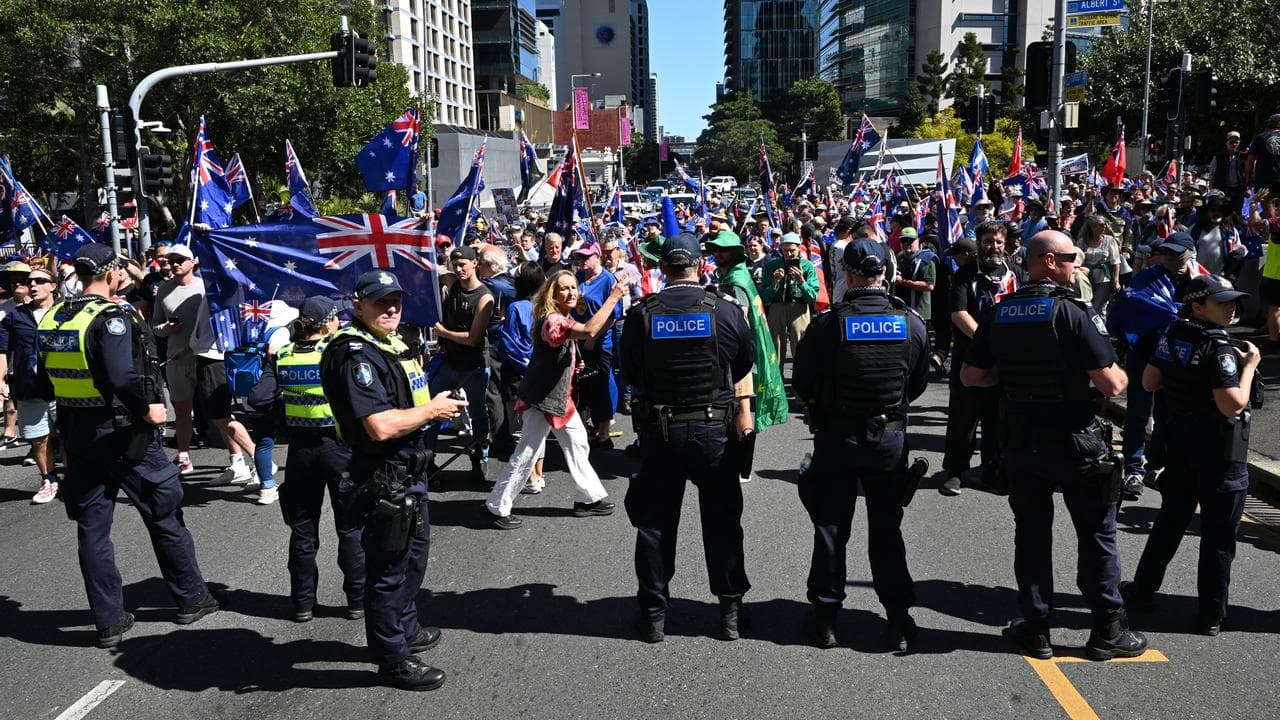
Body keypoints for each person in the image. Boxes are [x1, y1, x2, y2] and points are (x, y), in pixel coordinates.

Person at [961, 230, 1148, 661]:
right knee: (1097, 535)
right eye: (1069, 258)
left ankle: (1036, 628)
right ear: (1047, 261)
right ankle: (1107, 629)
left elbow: (972, 376)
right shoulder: (1073, 311)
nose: (1076, 264)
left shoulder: (1000, 311)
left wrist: (1011, 377)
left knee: (1031, 535)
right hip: (1077, 442)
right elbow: (1113, 383)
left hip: (1023, 442)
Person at [37, 244, 217, 648]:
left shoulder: (55, 315)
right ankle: (192, 598)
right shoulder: (110, 316)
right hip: (124, 433)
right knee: (164, 512)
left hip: (77, 433)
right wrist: (147, 408)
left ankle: (109, 622)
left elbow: (40, 380)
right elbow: (122, 376)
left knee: (92, 528)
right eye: (119, 269)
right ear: (111, 272)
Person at [319, 270, 466, 691]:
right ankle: (392, 659)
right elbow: (380, 425)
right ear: (358, 305)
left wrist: (432, 407)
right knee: (388, 572)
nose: (391, 309)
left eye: (396, 301)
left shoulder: (387, 344)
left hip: (408, 473)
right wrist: (432, 410)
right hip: (383, 476)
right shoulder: (357, 355)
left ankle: (405, 629)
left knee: (412, 561)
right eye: (381, 302)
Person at [792, 238, 930, 651]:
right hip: (888, 437)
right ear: (884, 272)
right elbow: (916, 384)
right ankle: (898, 619)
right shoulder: (910, 322)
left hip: (839, 436)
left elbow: (803, 385)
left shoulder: (828, 324)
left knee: (831, 527)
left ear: (847, 275)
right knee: (886, 528)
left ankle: (826, 618)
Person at [620, 232, 755, 643]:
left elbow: (631, 370)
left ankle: (654, 617)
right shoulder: (725, 310)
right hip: (714, 430)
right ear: (700, 265)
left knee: (655, 525)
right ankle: (730, 613)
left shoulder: (643, 314)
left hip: (662, 430)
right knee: (723, 522)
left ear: (663, 267)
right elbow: (742, 363)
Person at [1123, 275, 1259, 636]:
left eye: (1234, 301)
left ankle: (1142, 590)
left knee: (1170, 522)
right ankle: (1211, 614)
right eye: (1223, 302)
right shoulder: (1220, 349)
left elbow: (1149, 382)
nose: (1232, 308)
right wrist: (1249, 367)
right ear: (1198, 306)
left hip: (1181, 446)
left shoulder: (1173, 334)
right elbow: (1233, 405)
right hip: (1220, 453)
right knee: (1219, 536)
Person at [482, 269, 626, 528]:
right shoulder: (553, 320)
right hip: (543, 399)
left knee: (578, 442)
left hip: (557, 399)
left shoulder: (560, 317)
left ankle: (588, 498)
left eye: (573, 287)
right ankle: (496, 506)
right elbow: (589, 330)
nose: (571, 292)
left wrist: (572, 364)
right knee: (526, 453)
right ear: (552, 293)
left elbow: (559, 350)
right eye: (564, 288)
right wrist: (613, 298)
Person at [268, 296, 365, 623]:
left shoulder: (283, 355)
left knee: (302, 529)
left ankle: (302, 604)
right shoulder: (336, 353)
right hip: (339, 450)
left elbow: (258, 398)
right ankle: (357, 601)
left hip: (300, 452)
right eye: (336, 317)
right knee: (350, 526)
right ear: (326, 323)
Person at [152, 242, 256, 481]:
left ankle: (239, 461)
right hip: (177, 359)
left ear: (193, 263)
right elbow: (155, 326)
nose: (174, 264)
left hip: (208, 358)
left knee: (219, 413)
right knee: (182, 409)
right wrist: (166, 328)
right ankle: (184, 456)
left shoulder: (207, 287)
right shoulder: (164, 289)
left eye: (180, 260)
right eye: (171, 260)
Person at [705, 230, 789, 484]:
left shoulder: (736, 280)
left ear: (735, 253)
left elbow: (738, 318)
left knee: (742, 407)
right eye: (716, 250)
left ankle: (744, 467)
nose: (718, 254)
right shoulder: (732, 275)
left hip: (738, 354)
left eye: (723, 250)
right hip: (740, 352)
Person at [941, 221, 1019, 495]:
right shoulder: (965, 274)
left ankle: (991, 470)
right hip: (971, 358)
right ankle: (955, 471)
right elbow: (959, 314)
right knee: (964, 418)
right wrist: (986, 344)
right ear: (979, 243)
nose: (993, 247)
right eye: (988, 241)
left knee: (997, 419)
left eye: (998, 242)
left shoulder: (1014, 272)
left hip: (1005, 360)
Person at [425, 245, 494, 482]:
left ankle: (480, 458)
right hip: (449, 362)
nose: (458, 269)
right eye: (455, 265)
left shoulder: (485, 298)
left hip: (473, 366)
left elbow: (473, 338)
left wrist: (443, 333)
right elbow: (432, 272)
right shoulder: (453, 283)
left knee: (478, 414)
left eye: (463, 264)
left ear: (475, 263)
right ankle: (428, 459)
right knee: (431, 409)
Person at [0, 265, 61, 503]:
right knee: (38, 438)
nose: (32, 285)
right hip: (29, 387)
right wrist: (1, 380)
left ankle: (74, 478)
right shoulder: (16, 316)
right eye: (30, 281)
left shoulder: (66, 312)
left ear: (53, 286)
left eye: (39, 281)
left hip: (64, 386)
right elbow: (3, 350)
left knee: (68, 436)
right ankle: (49, 479)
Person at [571, 243, 623, 447]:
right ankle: (583, 430)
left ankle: (603, 434)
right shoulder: (579, 277)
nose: (582, 261)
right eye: (580, 257)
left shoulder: (608, 280)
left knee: (600, 386)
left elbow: (613, 317)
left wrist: (592, 337)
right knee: (581, 386)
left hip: (599, 343)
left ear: (597, 256)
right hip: (579, 339)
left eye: (587, 257)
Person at [760, 232, 819, 368]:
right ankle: (777, 379)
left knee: (800, 347)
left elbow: (812, 297)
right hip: (777, 308)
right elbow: (764, 297)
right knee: (775, 348)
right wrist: (775, 282)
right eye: (785, 250)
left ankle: (801, 378)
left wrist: (802, 281)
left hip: (798, 308)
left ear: (799, 248)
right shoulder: (772, 265)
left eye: (792, 250)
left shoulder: (808, 266)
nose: (789, 254)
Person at [1077, 215, 1122, 314]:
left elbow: (1116, 262)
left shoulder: (1109, 240)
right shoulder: (1082, 242)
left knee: (1098, 307)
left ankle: (1100, 324)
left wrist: (1116, 281)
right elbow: (1077, 260)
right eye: (1101, 225)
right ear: (1092, 227)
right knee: (1086, 304)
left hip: (1104, 278)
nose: (1104, 226)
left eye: (1105, 224)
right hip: (1086, 278)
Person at [893, 227, 936, 322]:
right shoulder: (899, 257)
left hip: (919, 312)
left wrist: (903, 281)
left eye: (910, 241)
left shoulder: (926, 259)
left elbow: (929, 286)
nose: (906, 244)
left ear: (918, 241)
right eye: (903, 241)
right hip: (902, 310)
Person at [1244, 113, 1280, 196]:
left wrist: (1248, 179)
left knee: (1267, 203)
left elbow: (1250, 161)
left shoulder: (1259, 138)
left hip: (1264, 181)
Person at [1207, 131, 1247, 204]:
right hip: (1221, 190)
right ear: (1226, 142)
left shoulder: (1243, 156)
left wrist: (1248, 188)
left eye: (1236, 142)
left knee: (1237, 209)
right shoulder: (1218, 156)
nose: (1234, 144)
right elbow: (1212, 174)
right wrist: (1211, 189)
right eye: (1231, 142)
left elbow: (1248, 173)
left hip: (1238, 190)